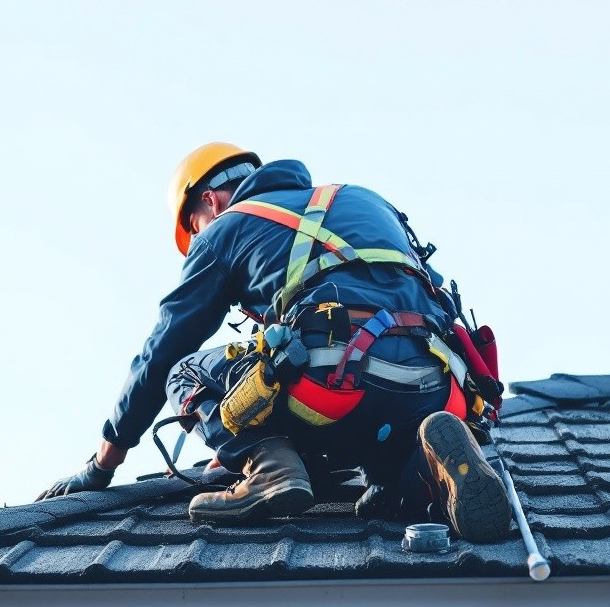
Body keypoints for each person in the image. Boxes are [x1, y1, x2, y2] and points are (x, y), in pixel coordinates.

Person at [37, 143, 511, 542]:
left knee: (184, 371)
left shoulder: (226, 229)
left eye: (195, 226)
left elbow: (162, 350)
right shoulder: (366, 201)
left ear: (209, 202)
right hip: (436, 386)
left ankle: (268, 466)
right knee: (385, 498)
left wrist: (103, 463)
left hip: (333, 381)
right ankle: (427, 469)